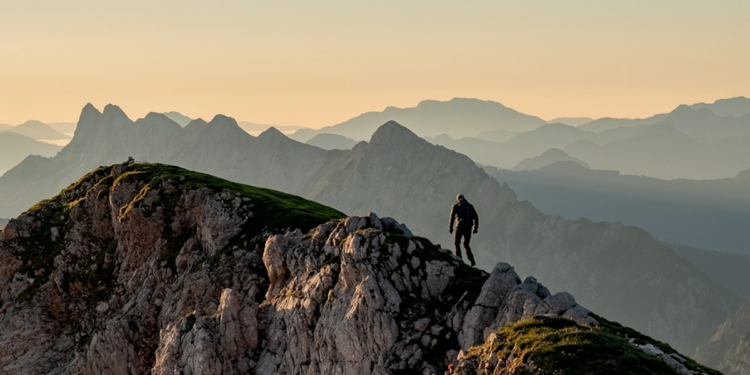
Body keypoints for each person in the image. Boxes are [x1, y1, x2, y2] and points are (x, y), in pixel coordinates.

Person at [449, 194, 479, 266]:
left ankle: (459, 259)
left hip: (459, 226)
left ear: (458, 199)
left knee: (457, 243)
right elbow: (476, 217)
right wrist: (475, 228)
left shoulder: (456, 206)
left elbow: (452, 217)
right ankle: (472, 260)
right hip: (468, 227)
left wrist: (450, 227)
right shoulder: (470, 206)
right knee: (466, 244)